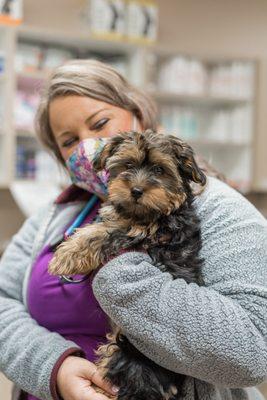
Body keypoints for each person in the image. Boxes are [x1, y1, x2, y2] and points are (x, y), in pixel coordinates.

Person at [0, 59, 266, 400]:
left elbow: (253, 352)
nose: (88, 145)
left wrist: (112, 256)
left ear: (136, 112)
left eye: (99, 123)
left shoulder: (218, 207)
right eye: (69, 141)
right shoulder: (55, 214)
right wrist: (55, 367)